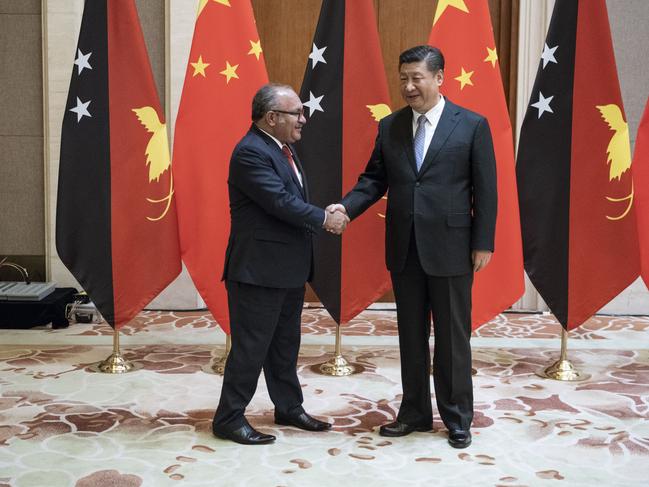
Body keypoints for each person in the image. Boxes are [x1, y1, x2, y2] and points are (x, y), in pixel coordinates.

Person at [328, 45, 497, 448]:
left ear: (439, 78)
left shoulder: (472, 125)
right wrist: (346, 208)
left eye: (416, 78)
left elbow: (486, 190)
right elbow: (373, 180)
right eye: (403, 78)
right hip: (405, 248)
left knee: (454, 338)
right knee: (410, 335)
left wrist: (483, 241)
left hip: (453, 247)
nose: (408, 86)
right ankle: (415, 413)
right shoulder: (391, 126)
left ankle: (457, 417)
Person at [212, 83, 348, 445]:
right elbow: (279, 202)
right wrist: (323, 217)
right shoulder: (250, 153)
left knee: (285, 346)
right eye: (296, 113)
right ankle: (229, 417)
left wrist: (325, 211)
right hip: (258, 272)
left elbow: (290, 199)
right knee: (251, 348)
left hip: (287, 269)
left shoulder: (283, 148)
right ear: (272, 118)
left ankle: (288, 407)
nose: (303, 119)